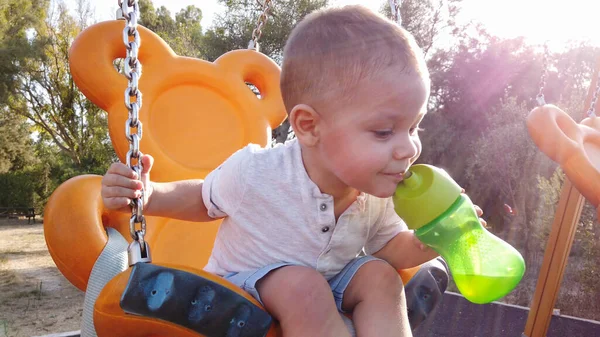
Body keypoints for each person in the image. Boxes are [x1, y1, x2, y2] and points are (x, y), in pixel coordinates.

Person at [101, 5, 483, 337]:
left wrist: (431, 241)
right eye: (385, 131)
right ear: (309, 126)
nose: (408, 147)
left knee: (380, 276)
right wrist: (148, 196)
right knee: (303, 287)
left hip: (332, 280)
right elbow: (202, 200)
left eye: (414, 127)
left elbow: (390, 249)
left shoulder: (378, 191)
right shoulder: (257, 171)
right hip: (244, 287)